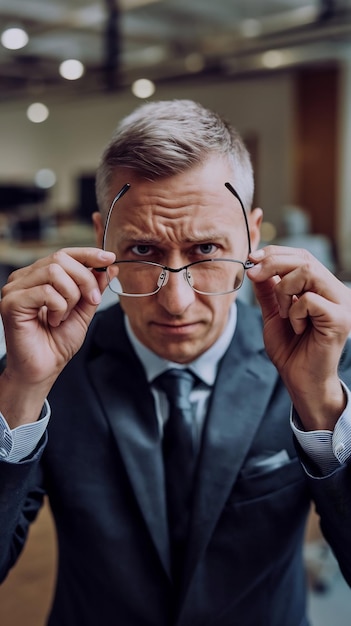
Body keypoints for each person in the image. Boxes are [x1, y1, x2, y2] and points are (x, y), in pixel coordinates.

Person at [0, 99, 351, 626]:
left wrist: (320, 406)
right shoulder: (47, 368)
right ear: (102, 239)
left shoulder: (324, 360)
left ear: (253, 237)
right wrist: (21, 391)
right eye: (142, 252)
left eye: (207, 249)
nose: (176, 302)